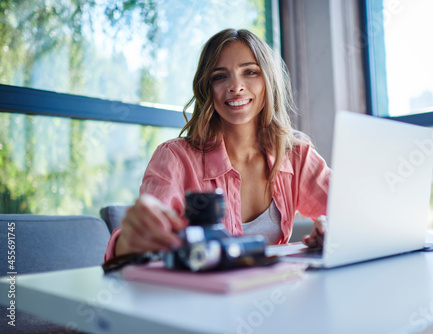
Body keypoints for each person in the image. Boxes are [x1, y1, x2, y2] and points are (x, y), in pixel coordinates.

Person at [104, 28, 331, 261]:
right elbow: (130, 253)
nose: (235, 86)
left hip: (275, 290)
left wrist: (330, 227)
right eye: (220, 76)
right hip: (199, 295)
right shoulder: (175, 158)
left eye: (250, 72)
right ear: (207, 88)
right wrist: (132, 239)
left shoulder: (296, 155)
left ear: (268, 81)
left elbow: (354, 215)